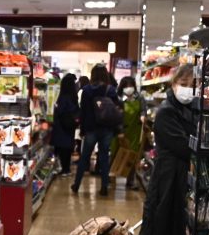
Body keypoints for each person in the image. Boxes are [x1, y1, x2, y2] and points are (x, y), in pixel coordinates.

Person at [115, 64, 199, 235]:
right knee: (155, 227)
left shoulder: (191, 109)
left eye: (192, 85)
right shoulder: (165, 112)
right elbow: (184, 147)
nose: (188, 90)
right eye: (184, 84)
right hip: (166, 179)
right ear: (173, 84)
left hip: (183, 179)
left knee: (178, 229)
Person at [71, 64, 122, 196]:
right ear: (105, 74)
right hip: (107, 128)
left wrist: (82, 129)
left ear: (92, 75)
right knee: (104, 157)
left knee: (85, 157)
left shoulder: (87, 90)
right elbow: (116, 109)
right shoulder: (110, 90)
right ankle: (104, 186)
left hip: (91, 128)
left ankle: (76, 185)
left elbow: (83, 112)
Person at [111, 76, 145, 189]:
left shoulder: (139, 97)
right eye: (126, 86)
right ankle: (111, 178)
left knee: (132, 156)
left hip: (134, 131)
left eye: (131, 86)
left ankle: (130, 181)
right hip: (119, 131)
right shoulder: (118, 98)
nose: (129, 88)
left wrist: (143, 115)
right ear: (122, 87)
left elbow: (143, 109)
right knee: (116, 154)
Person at [51, 73, 78, 175]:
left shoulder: (63, 97)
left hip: (61, 126)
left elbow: (61, 110)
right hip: (70, 126)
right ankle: (66, 168)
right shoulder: (73, 97)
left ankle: (64, 169)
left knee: (62, 149)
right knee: (67, 148)